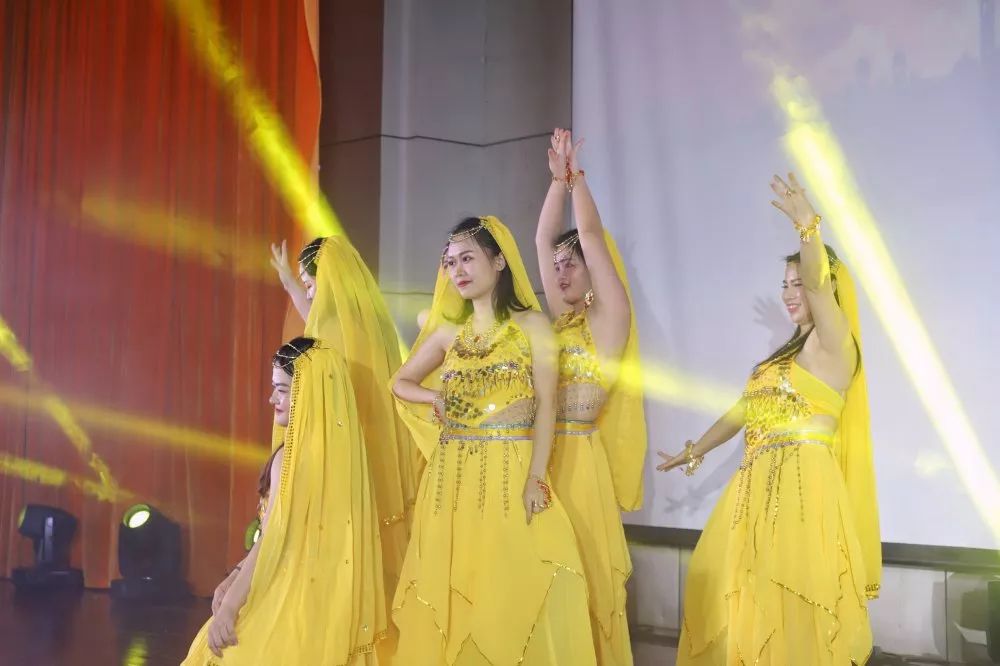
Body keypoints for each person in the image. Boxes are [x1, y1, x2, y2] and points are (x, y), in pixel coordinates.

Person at [658, 173, 880, 665]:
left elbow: (820, 285)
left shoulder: (833, 346)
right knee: (730, 592)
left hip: (803, 491)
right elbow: (743, 411)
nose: (790, 293)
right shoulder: (784, 356)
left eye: (798, 283)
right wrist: (695, 450)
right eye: (784, 285)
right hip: (754, 490)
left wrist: (808, 229)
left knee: (793, 598)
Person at [390, 216, 596, 665]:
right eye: (449, 263)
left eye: (467, 258)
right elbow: (399, 382)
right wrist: (434, 397)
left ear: (499, 261)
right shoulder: (448, 333)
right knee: (455, 585)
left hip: (510, 474)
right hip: (450, 481)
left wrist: (536, 477)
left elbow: (546, 405)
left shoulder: (533, 326)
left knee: (516, 582)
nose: (457, 271)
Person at [182, 337, 387, 664]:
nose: (271, 399)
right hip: (326, 604)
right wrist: (234, 576)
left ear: (307, 393)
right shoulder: (343, 457)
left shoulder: (291, 460)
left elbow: (273, 539)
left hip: (287, 597)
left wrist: (231, 607)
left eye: (282, 390)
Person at [535, 128, 646, 664]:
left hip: (580, 464)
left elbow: (592, 235)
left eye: (570, 264)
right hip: (542, 459)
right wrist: (554, 184)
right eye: (557, 267)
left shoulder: (609, 321)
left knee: (585, 581)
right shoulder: (559, 323)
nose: (559, 272)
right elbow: (541, 241)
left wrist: (575, 180)